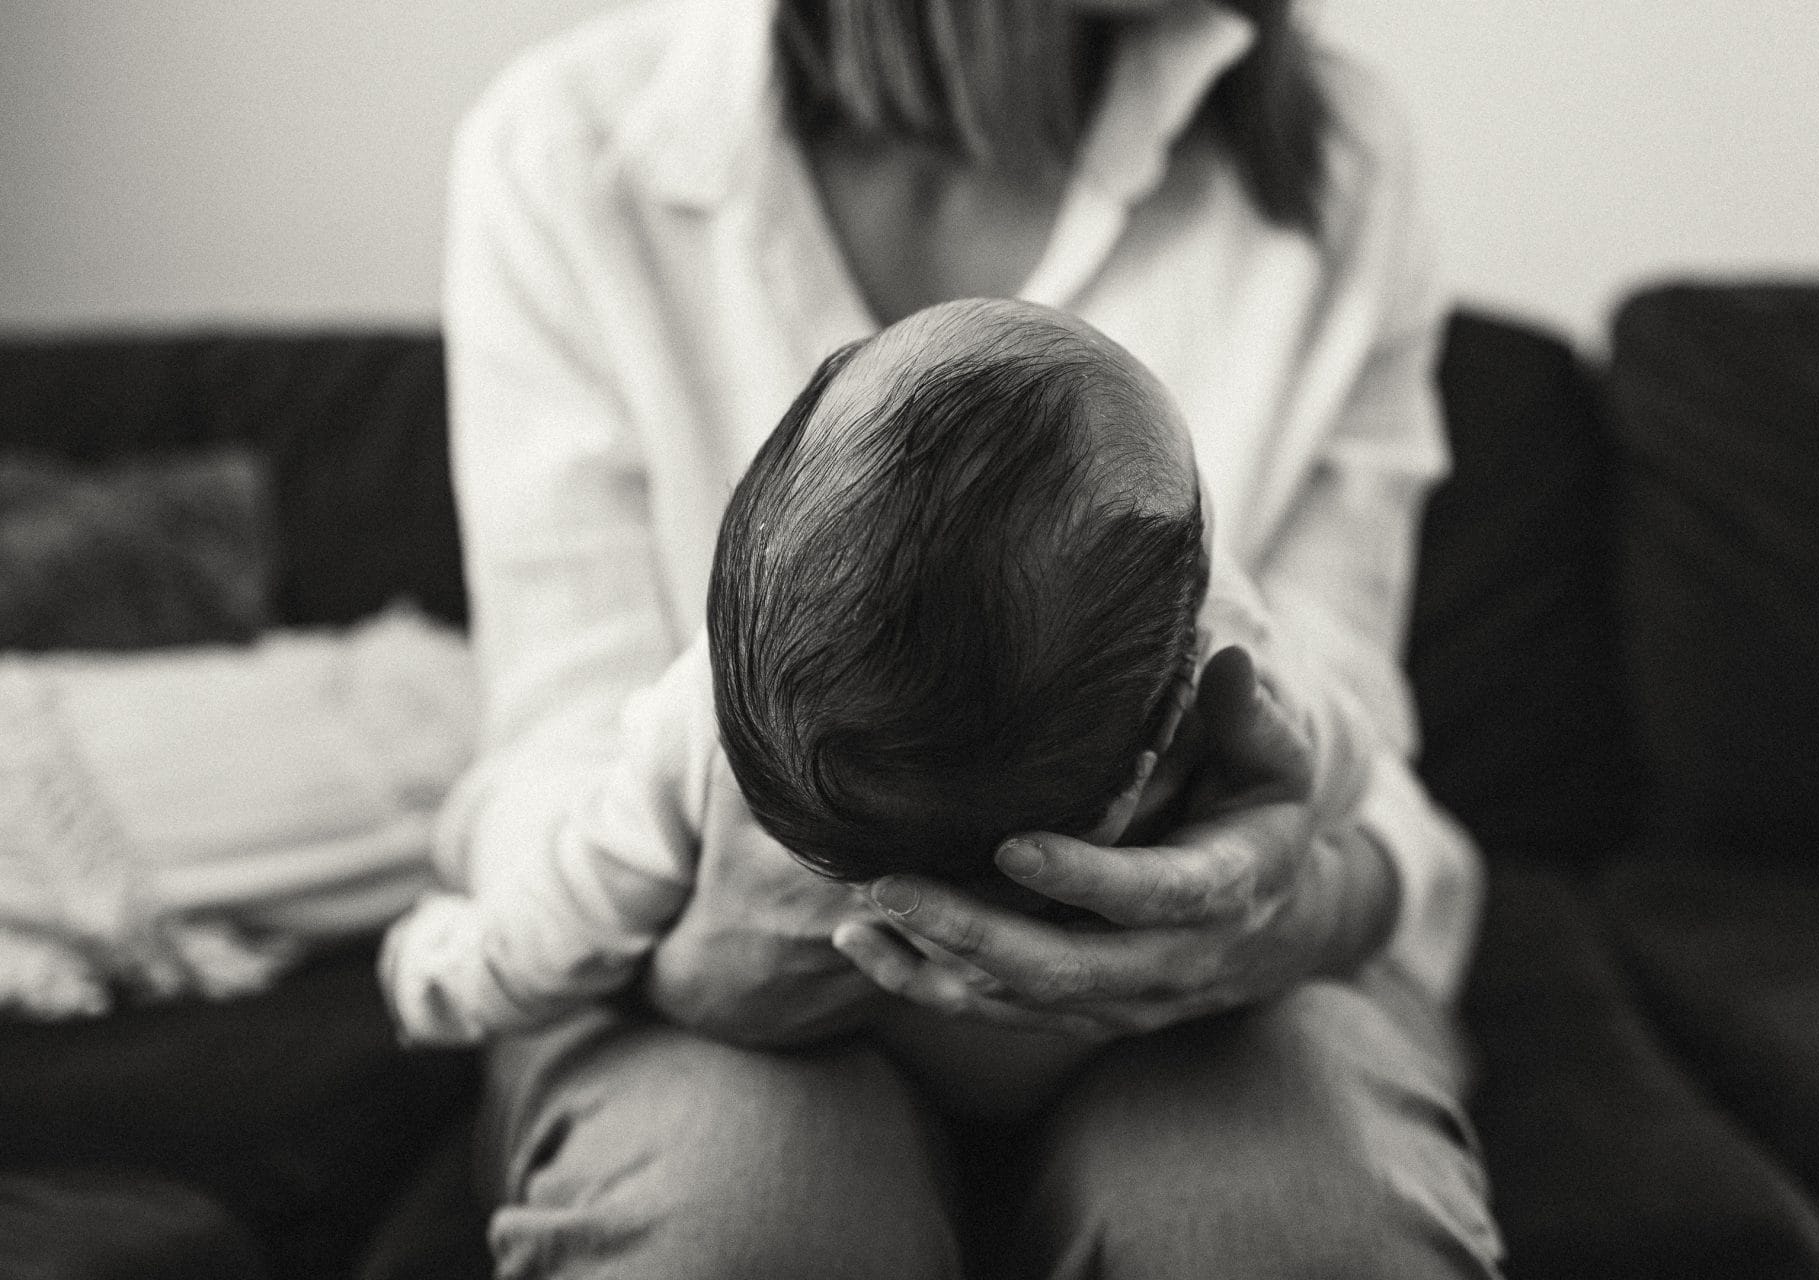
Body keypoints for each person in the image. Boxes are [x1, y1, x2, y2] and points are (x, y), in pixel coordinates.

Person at [435, 0, 1499, 1274]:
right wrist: (686, 968)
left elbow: (1353, 742)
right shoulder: (569, 152)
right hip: (712, 965)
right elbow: (557, 758)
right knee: (745, 1229)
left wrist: (1296, 899)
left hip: (1203, 995)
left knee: (1301, 1231)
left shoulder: (1335, 158)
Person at [383, 298, 1374, 1121]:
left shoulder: (695, 723)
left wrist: (434, 968)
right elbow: (1339, 771)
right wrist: (1293, 771)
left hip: (820, 1060)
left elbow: (555, 927)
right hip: (1085, 1058)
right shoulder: (1211, 651)